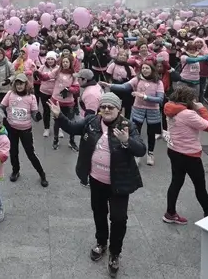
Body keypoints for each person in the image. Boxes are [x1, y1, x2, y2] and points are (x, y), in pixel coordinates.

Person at [48, 92, 145, 277]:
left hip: (119, 183)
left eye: (111, 107)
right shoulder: (92, 121)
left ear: (119, 109)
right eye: (104, 106)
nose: (106, 109)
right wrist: (58, 116)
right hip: (96, 180)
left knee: (118, 219)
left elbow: (141, 149)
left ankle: (115, 253)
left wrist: (127, 141)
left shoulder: (127, 125)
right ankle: (101, 242)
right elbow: (72, 127)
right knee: (99, 212)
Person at [162, 85, 208, 224]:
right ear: (190, 100)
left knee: (176, 181)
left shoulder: (170, 108)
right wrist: (201, 108)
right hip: (189, 154)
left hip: (174, 150)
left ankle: (170, 213)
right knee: (199, 185)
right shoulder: (187, 114)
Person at [101, 62, 165, 166]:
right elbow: (124, 87)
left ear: (152, 70)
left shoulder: (158, 82)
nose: (144, 70)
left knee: (151, 133)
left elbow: (160, 99)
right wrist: (110, 85)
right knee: (136, 132)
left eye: (147, 68)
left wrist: (144, 97)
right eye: (143, 68)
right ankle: (137, 154)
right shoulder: (137, 79)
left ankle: (150, 153)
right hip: (138, 109)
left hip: (153, 111)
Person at [0, 73, 48, 187]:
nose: (19, 86)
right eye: (17, 84)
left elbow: (34, 114)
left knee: (30, 153)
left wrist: (37, 116)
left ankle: (41, 173)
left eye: (21, 84)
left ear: (26, 84)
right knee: (13, 152)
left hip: (25, 130)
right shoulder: (10, 94)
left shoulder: (31, 97)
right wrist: (3, 115)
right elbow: (1, 107)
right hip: (12, 129)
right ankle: (15, 171)